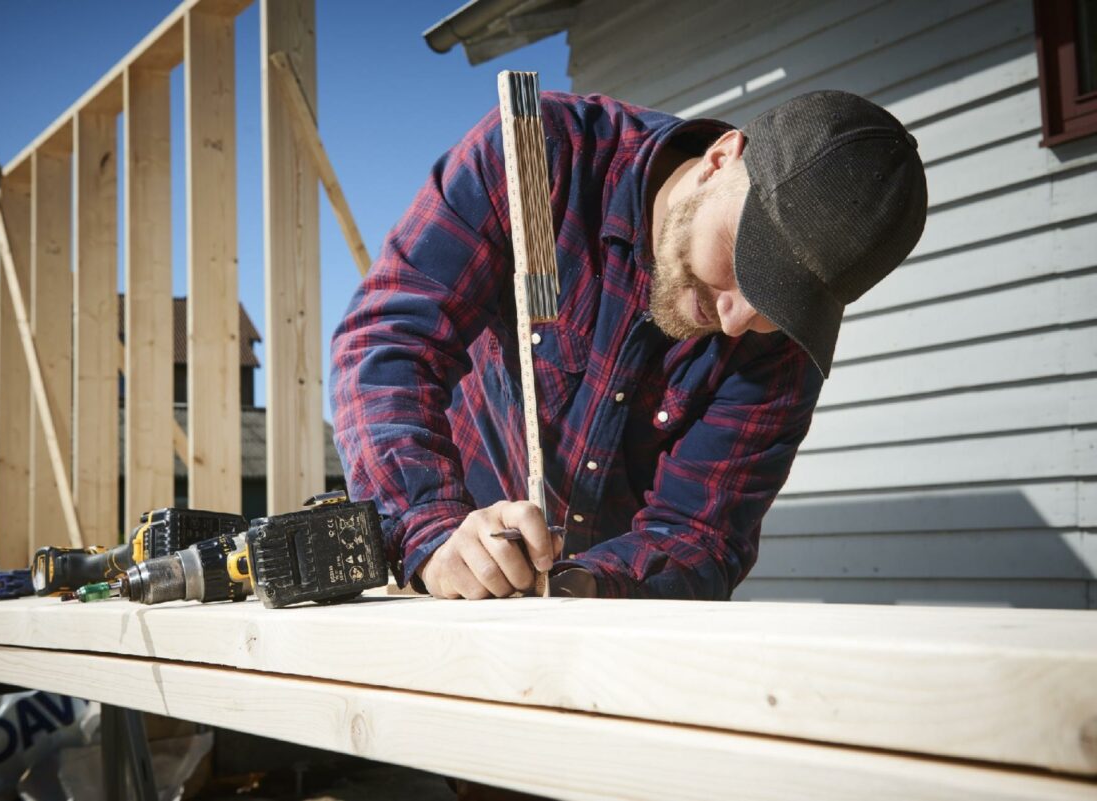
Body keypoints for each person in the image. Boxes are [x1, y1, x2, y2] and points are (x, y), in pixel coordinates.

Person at [330, 89, 927, 600]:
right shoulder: (540, 157)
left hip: (596, 627)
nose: (738, 316)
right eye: (752, 263)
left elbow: (700, 534)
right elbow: (387, 342)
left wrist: (578, 585)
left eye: (778, 301)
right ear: (720, 160)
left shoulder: (784, 342)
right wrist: (431, 529)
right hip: (439, 577)